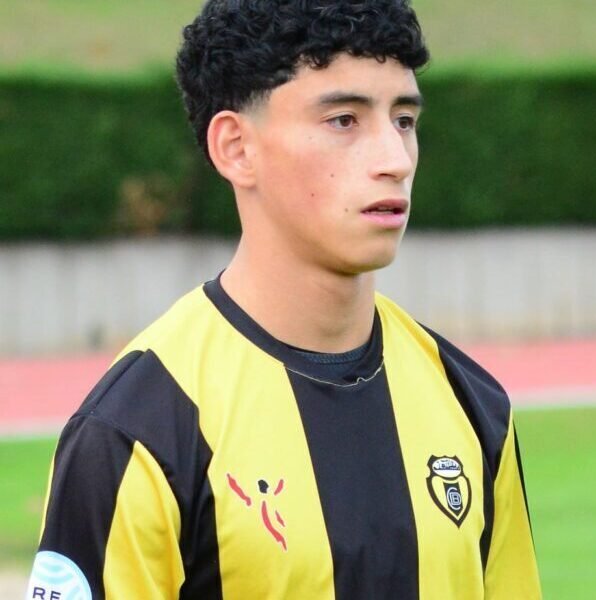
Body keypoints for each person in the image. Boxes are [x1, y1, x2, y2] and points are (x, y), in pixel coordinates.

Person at [26, 1, 541, 598]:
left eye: (404, 120)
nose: (396, 160)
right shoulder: (136, 429)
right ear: (236, 148)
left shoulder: (472, 404)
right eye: (344, 120)